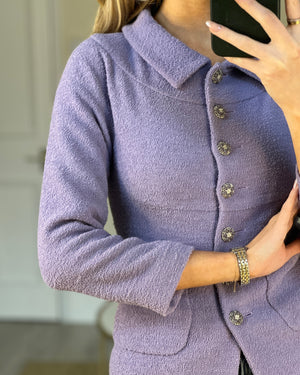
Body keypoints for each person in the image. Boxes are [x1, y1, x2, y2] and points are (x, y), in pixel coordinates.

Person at [37, 0, 300, 374]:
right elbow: (63, 252)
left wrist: (296, 102)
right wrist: (240, 264)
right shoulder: (101, 66)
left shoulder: (290, 55)